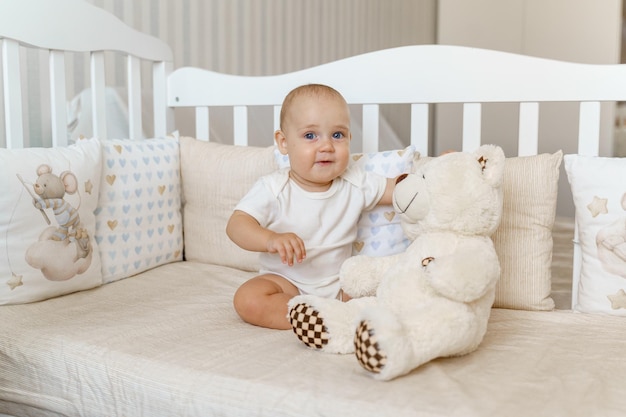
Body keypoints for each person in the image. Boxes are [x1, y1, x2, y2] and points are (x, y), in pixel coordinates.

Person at [226, 84, 395, 329]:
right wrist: (270, 239)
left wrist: (435, 174)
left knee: (387, 291)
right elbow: (236, 225)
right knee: (248, 299)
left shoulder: (355, 182)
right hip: (286, 283)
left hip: (341, 287)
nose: (326, 146)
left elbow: (401, 190)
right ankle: (314, 319)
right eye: (310, 136)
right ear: (283, 143)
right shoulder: (274, 188)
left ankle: (337, 317)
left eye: (337, 135)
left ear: (349, 138)